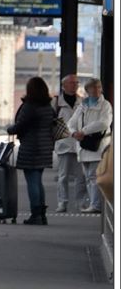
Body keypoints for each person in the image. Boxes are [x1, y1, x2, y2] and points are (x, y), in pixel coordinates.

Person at [7, 76, 56, 225]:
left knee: (32, 182)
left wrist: (10, 129)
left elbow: (21, 125)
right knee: (37, 180)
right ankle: (41, 214)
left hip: (31, 147)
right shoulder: (48, 107)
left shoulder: (30, 106)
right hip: (45, 147)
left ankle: (36, 215)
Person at [68, 77, 112, 215]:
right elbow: (71, 123)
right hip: (84, 146)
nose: (97, 90)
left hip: (98, 146)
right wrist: (74, 132)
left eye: (99, 87)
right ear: (87, 90)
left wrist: (84, 131)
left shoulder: (105, 105)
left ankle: (96, 205)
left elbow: (104, 123)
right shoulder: (82, 106)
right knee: (88, 177)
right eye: (94, 87)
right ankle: (94, 203)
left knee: (94, 177)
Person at [52, 73, 88, 213]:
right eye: (72, 83)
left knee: (81, 176)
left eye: (77, 83)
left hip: (80, 143)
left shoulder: (83, 102)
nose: (75, 85)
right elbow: (51, 122)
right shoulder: (56, 103)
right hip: (64, 142)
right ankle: (62, 202)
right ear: (64, 85)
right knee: (63, 176)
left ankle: (80, 203)